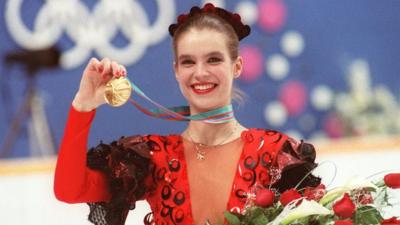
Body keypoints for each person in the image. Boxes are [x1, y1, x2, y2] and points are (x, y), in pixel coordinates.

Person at [54, 3, 320, 225]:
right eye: (188, 61)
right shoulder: (154, 158)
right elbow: (69, 190)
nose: (200, 72)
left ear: (237, 66)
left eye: (213, 59)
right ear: (176, 70)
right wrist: (82, 106)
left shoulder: (275, 154)